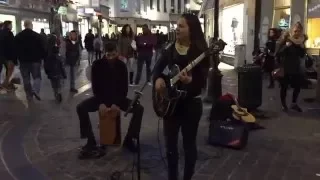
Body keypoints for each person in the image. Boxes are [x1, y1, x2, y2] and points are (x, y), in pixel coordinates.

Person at [153, 14, 209, 180]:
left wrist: (191, 81)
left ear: (192, 29)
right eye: (177, 25)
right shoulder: (169, 49)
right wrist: (158, 80)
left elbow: (202, 80)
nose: (177, 28)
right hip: (170, 104)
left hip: (191, 104)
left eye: (182, 26)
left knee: (189, 145)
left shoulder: (201, 52)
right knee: (170, 146)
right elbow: (157, 71)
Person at [76, 43, 144, 159]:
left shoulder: (121, 66)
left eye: (113, 55)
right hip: (101, 98)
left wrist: (116, 104)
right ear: (104, 53)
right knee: (81, 107)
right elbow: (96, 87)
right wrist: (101, 103)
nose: (111, 58)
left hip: (118, 99)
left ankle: (129, 138)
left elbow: (124, 89)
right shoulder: (97, 65)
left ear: (117, 53)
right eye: (108, 55)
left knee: (139, 109)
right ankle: (90, 140)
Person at [276, 22, 307, 112]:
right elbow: (278, 53)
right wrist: (286, 46)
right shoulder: (287, 40)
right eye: (295, 30)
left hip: (296, 68)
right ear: (292, 30)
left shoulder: (300, 42)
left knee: (297, 86)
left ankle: (294, 103)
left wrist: (302, 47)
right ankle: (283, 104)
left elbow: (302, 55)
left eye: (299, 31)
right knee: (284, 87)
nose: (297, 32)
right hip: (285, 68)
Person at [15, 20, 45, 101]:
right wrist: (43, 58)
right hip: (35, 60)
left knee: (26, 79)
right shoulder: (37, 36)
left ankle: (29, 96)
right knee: (37, 77)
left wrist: (16, 59)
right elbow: (42, 48)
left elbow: (15, 49)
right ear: (31, 25)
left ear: (24, 25)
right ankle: (35, 90)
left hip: (23, 61)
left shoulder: (18, 36)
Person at [44, 34, 67, 102]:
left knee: (54, 86)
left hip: (51, 75)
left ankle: (55, 95)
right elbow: (62, 67)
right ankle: (59, 93)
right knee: (59, 85)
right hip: (59, 75)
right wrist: (64, 75)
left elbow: (46, 66)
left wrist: (47, 73)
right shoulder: (60, 58)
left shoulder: (48, 58)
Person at [0, 21, 16, 91]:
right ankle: (5, 84)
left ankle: (6, 84)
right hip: (8, 56)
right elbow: (12, 45)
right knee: (10, 70)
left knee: (4, 69)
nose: (11, 26)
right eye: (11, 25)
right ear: (8, 25)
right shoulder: (9, 33)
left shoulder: (1, 32)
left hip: (1, 55)